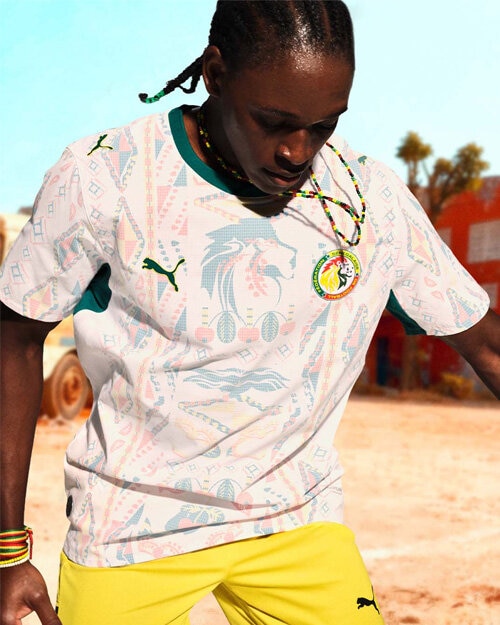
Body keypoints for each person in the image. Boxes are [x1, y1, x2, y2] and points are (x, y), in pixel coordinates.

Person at [1, 1, 499, 624]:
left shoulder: (369, 202)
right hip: (130, 532)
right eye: (273, 122)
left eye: (323, 126)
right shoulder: (106, 177)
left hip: (296, 520)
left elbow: (487, 346)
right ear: (216, 73)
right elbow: (14, 340)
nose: (298, 151)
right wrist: (7, 551)